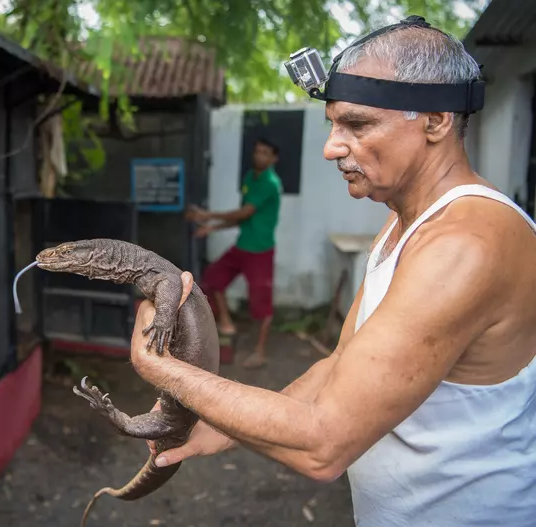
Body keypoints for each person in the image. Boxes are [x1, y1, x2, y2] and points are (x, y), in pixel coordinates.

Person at [131, 18, 536, 527]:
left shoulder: (464, 244)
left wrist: (159, 366)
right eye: (333, 124)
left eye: (358, 125)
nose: (331, 147)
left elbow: (324, 444)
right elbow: (341, 364)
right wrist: (224, 424)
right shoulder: (405, 224)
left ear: (436, 120)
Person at [186, 138, 283, 369]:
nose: (259, 156)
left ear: (273, 159)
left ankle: (260, 352)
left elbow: (244, 212)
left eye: (265, 153)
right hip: (242, 245)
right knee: (212, 279)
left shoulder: (270, 183)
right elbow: (243, 218)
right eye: (257, 151)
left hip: (260, 251)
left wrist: (207, 216)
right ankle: (227, 323)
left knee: (261, 303)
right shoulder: (251, 177)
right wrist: (213, 227)